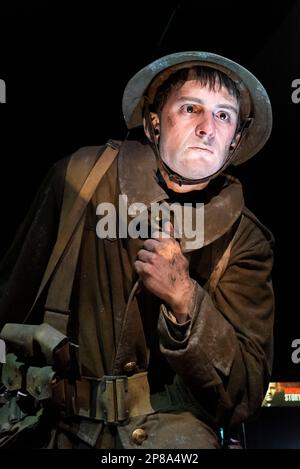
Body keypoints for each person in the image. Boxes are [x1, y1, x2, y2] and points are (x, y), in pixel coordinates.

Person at [0, 51, 274, 449]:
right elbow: (9, 298)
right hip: (59, 427)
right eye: (190, 108)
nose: (206, 128)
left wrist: (186, 302)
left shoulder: (245, 238)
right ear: (154, 123)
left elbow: (244, 392)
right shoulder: (80, 180)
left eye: (223, 115)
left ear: (234, 141)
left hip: (170, 438)